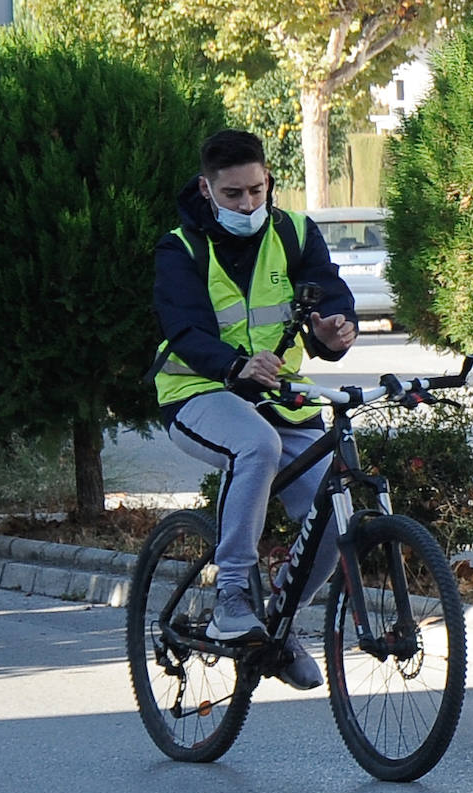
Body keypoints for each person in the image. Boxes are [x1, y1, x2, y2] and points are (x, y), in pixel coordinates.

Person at [151, 129, 358, 690]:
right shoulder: (182, 248)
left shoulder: (293, 232)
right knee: (255, 445)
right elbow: (185, 330)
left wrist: (335, 329)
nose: (248, 205)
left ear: (269, 180)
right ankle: (232, 596)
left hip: (280, 399)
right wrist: (235, 366)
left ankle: (276, 625)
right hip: (198, 395)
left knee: (335, 512)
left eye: (257, 190)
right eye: (233, 195)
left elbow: (329, 294)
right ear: (207, 188)